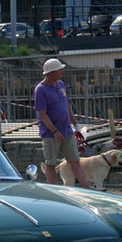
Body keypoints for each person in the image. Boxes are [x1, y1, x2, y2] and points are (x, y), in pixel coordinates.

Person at [34, 58, 91, 189]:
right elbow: (42, 114)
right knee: (51, 163)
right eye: (59, 70)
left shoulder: (61, 85)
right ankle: (54, 191)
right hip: (50, 134)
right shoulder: (40, 90)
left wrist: (75, 125)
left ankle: (87, 188)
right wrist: (54, 131)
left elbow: (67, 105)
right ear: (51, 72)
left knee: (75, 160)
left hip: (66, 131)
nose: (62, 72)